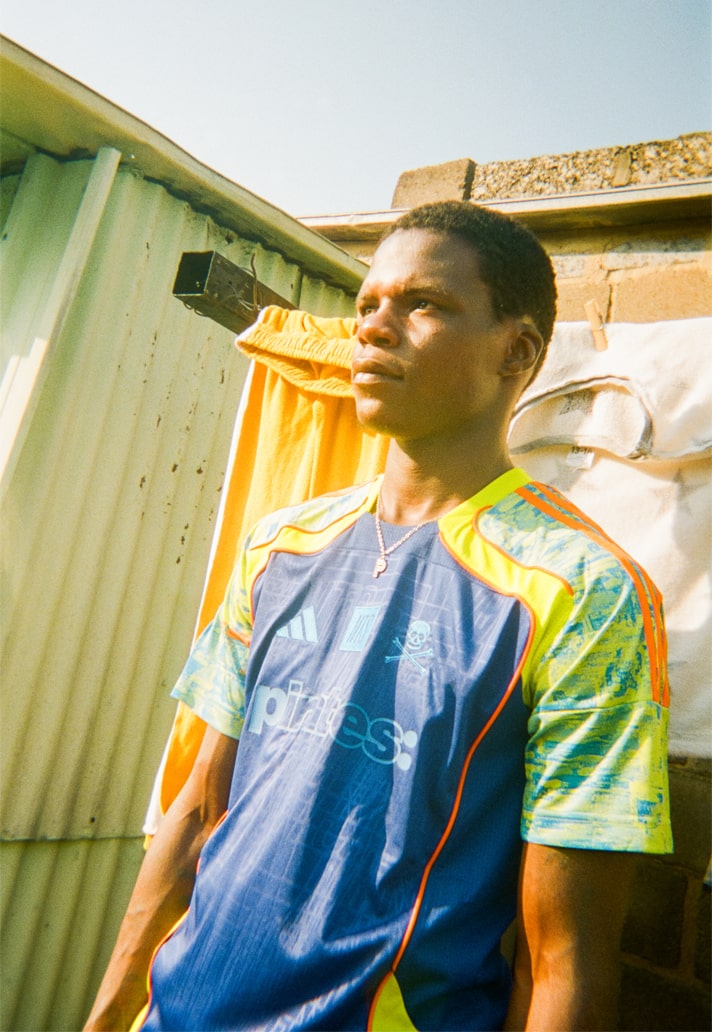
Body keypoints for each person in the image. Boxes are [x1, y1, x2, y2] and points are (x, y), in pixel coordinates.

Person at [85, 201, 671, 1032]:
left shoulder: (584, 591)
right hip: (179, 1011)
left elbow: (564, 957)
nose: (373, 327)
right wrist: (109, 1012)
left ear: (518, 351)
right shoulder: (280, 544)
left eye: (423, 303)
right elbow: (195, 813)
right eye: (367, 304)